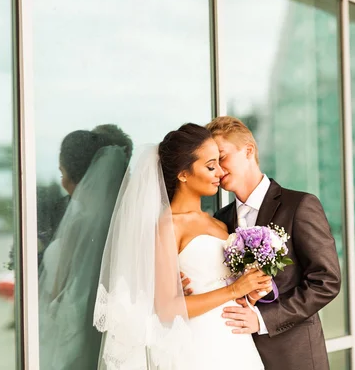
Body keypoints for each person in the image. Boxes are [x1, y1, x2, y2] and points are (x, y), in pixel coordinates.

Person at [94, 123, 272, 370]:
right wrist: (233, 291)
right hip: (199, 346)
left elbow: (224, 283)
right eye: (211, 166)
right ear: (183, 174)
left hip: (237, 343)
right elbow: (167, 308)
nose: (220, 172)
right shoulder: (168, 226)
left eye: (220, 163)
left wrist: (249, 291)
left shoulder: (219, 223)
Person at [203, 116, 342, 370]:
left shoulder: (299, 205)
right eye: (211, 164)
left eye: (222, 157)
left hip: (294, 356)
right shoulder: (220, 220)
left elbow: (327, 281)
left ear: (249, 150)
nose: (219, 170)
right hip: (236, 354)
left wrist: (262, 319)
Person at [38, 125, 132, 370]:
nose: (61, 181)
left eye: (61, 172)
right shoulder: (123, 219)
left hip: (74, 324)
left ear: (74, 175)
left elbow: (57, 288)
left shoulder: (79, 224)